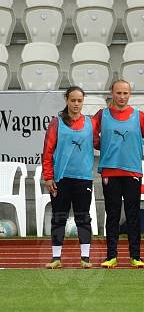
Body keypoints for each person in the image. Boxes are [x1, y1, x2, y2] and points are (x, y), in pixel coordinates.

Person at [93, 79, 144, 268]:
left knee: (132, 214)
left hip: (132, 171)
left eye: (125, 93)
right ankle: (111, 256)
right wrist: (102, 146)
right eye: (118, 93)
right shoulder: (102, 115)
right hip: (110, 170)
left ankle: (135, 256)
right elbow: (91, 135)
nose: (122, 97)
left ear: (130, 94)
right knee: (112, 214)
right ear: (111, 93)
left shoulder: (138, 116)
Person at [41, 86, 95, 269]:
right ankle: (56, 258)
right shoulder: (56, 123)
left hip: (83, 178)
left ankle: (85, 258)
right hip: (61, 179)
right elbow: (47, 152)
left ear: (83, 101)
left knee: (83, 217)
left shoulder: (90, 123)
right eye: (73, 100)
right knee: (59, 217)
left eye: (79, 100)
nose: (76, 104)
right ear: (66, 100)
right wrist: (48, 177)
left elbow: (101, 143)